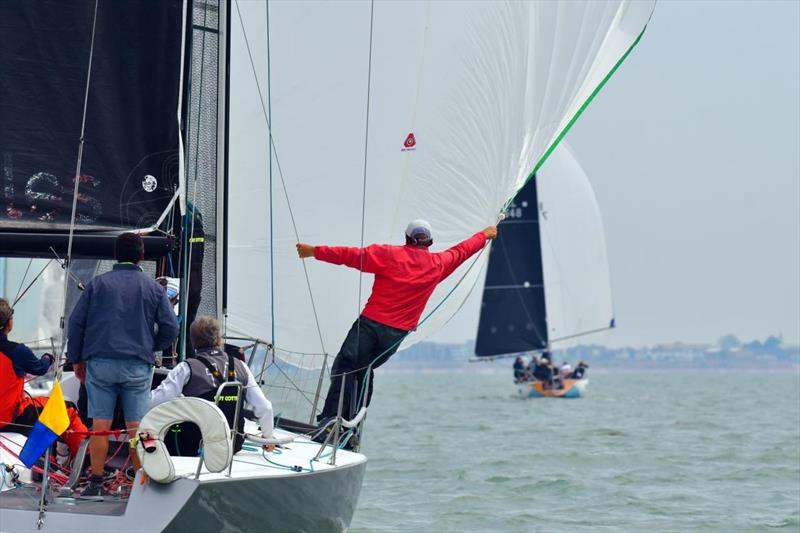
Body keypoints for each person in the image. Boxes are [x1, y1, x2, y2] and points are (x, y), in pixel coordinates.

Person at [297, 220, 497, 423]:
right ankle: (352, 426)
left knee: (345, 366)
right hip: (395, 336)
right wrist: (484, 234)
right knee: (364, 370)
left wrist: (314, 251)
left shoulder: (388, 255)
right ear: (430, 242)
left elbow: (350, 255)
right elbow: (463, 250)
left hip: (370, 326)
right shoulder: (439, 264)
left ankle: (331, 421)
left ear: (407, 238)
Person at [68, 232, 179, 498]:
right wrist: (150, 345)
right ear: (141, 256)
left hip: (101, 363)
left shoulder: (97, 285)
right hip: (137, 366)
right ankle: (143, 482)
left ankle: (95, 482)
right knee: (139, 428)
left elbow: (76, 323)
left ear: (116, 256)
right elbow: (171, 328)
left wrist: (77, 359)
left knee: (100, 426)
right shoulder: (154, 288)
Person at [150, 316, 275, 453]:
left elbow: (156, 401)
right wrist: (268, 437)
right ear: (219, 339)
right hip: (231, 446)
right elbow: (265, 407)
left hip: (194, 445)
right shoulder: (241, 366)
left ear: (193, 341)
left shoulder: (185, 368)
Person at [0, 298, 88, 459]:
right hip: (8, 418)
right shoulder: (16, 351)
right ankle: (87, 464)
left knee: (40, 407)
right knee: (66, 409)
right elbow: (40, 368)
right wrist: (48, 358)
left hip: (8, 416)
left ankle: (48, 460)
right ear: (9, 323)